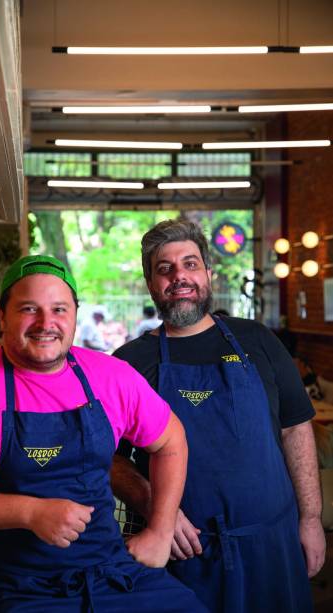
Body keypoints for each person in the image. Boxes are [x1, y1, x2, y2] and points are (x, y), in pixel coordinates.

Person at [0, 255, 205, 612]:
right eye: (29, 308)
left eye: (59, 309)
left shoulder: (111, 377)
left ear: (74, 314)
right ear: (1, 316)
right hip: (11, 584)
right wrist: (29, 513)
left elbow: (171, 441)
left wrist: (161, 532)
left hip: (110, 574)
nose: (46, 323)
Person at [112, 219, 325, 613]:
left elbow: (296, 428)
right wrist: (155, 508)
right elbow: (108, 457)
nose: (180, 277)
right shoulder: (129, 363)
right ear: (151, 283)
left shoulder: (257, 340)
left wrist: (311, 518)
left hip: (272, 544)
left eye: (190, 264)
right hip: (183, 554)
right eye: (165, 269)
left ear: (208, 274)